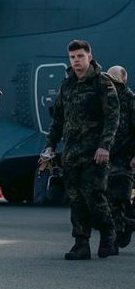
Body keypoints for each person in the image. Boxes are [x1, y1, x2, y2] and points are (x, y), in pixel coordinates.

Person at [40, 40, 119, 260]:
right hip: (72, 152)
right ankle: (81, 243)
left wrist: (105, 146)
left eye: (80, 56)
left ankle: (108, 235)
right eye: (72, 57)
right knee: (75, 199)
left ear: (89, 57)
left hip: (95, 153)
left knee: (94, 196)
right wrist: (50, 145)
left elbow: (112, 118)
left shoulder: (103, 84)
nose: (76, 61)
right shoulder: (67, 85)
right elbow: (58, 119)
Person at [105, 66, 135, 249]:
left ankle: (125, 227)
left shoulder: (131, 101)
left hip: (125, 157)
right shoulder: (107, 100)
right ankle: (116, 237)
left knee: (121, 197)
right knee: (109, 198)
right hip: (109, 155)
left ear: (124, 79)